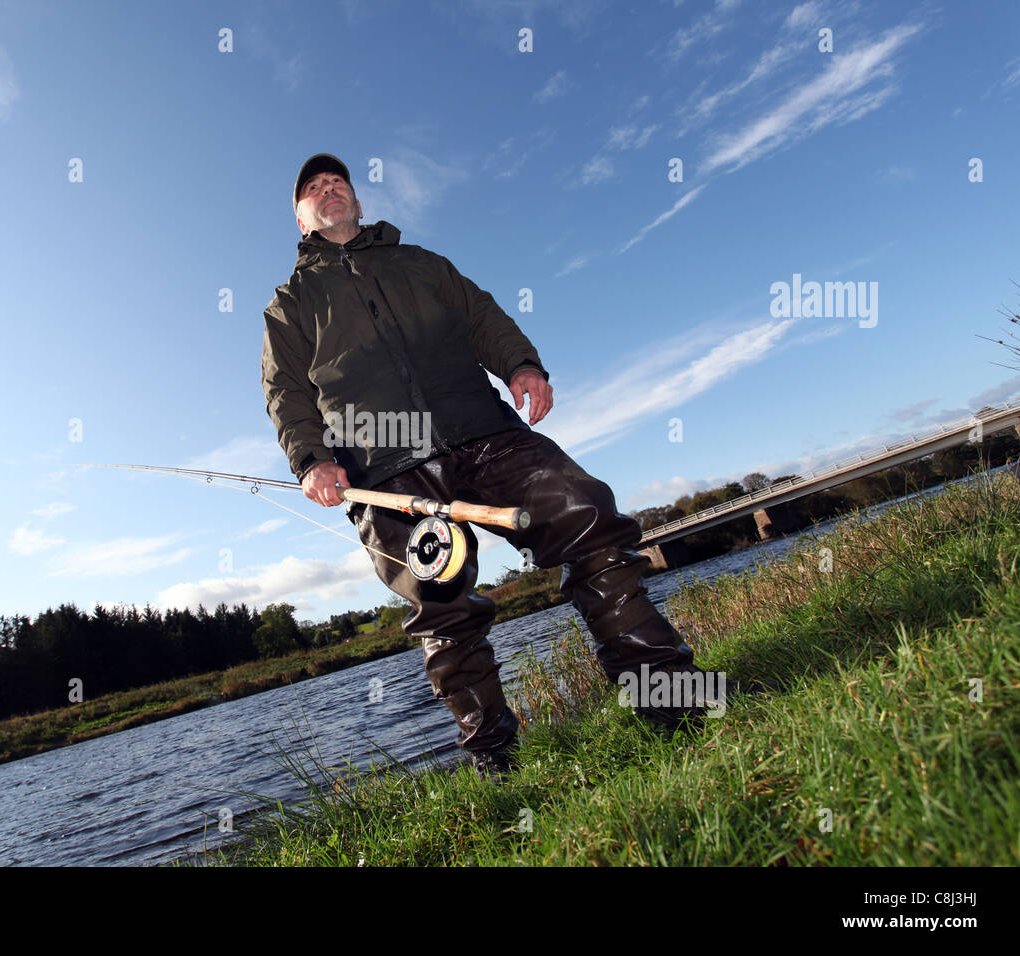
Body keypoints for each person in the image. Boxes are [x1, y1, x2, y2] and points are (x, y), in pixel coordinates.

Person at [262, 153, 720, 777]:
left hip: (483, 430)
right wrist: (312, 459)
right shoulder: (289, 303)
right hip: (383, 467)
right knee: (441, 602)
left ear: (359, 203)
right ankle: (498, 763)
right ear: (300, 219)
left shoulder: (422, 264)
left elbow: (483, 318)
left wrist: (521, 365)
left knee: (585, 518)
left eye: (338, 181)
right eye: (314, 188)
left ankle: (673, 699)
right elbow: (285, 389)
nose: (329, 189)